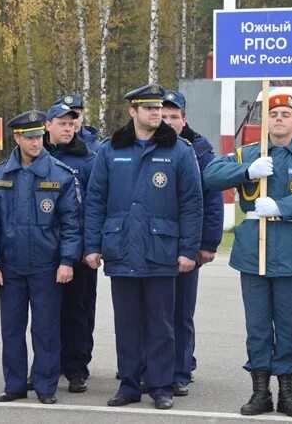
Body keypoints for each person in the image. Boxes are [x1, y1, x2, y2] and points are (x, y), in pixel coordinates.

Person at [203, 93, 292, 418]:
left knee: (287, 325)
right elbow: (211, 176)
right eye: (273, 114)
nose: (278, 119)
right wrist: (247, 171)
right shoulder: (249, 153)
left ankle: (287, 393)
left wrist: (281, 206)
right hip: (253, 251)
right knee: (258, 325)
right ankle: (260, 392)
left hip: (290, 248)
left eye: (286, 114)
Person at [83, 83, 203, 410]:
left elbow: (192, 203)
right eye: (148, 107)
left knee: (161, 323)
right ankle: (129, 384)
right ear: (132, 111)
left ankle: (161, 386)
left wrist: (187, 250)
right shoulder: (110, 150)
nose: (156, 112)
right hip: (121, 249)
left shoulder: (178, 150)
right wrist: (92, 245)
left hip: (161, 250)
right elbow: (95, 201)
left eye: (158, 107)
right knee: (127, 322)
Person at [0, 110, 82, 405]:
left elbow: (71, 224)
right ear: (17, 138)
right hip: (10, 267)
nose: (37, 142)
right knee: (11, 329)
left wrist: (66, 261)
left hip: (47, 267)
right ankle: (14, 385)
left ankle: (46, 387)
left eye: (39, 136)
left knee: (46, 329)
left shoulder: (60, 174)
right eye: (30, 137)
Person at [161, 89, 223, 395]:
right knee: (155, 311)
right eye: (164, 115)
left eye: (174, 116)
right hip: (156, 244)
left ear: (185, 119)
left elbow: (212, 201)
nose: (169, 121)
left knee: (181, 312)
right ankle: (153, 366)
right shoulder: (147, 146)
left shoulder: (201, 152)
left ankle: (181, 370)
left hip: (187, 243)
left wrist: (208, 243)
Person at [42, 102, 95, 394]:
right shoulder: (37, 155)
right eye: (61, 122)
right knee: (45, 314)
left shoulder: (87, 159)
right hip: (44, 249)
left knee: (78, 312)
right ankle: (46, 365)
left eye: (71, 122)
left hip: (78, 249)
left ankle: (76, 369)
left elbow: (96, 204)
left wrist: (91, 247)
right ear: (47, 125)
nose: (68, 127)